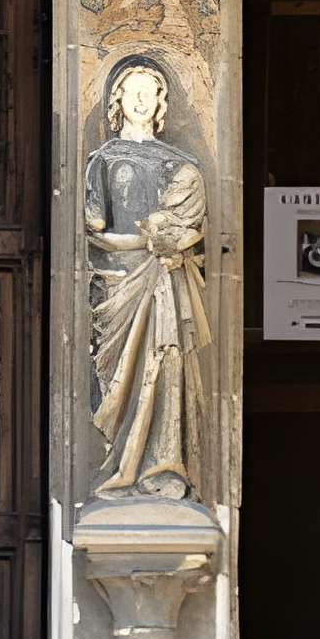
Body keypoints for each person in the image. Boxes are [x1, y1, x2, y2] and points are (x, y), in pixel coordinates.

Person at [83, 59, 210, 499]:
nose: (141, 99)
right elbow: (93, 230)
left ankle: (164, 466)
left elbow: (196, 230)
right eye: (132, 89)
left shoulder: (182, 164)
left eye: (149, 91)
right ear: (118, 99)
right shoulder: (102, 161)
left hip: (164, 285)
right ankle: (123, 463)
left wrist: (175, 239)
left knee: (167, 361)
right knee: (120, 378)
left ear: (161, 102)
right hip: (120, 283)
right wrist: (148, 241)